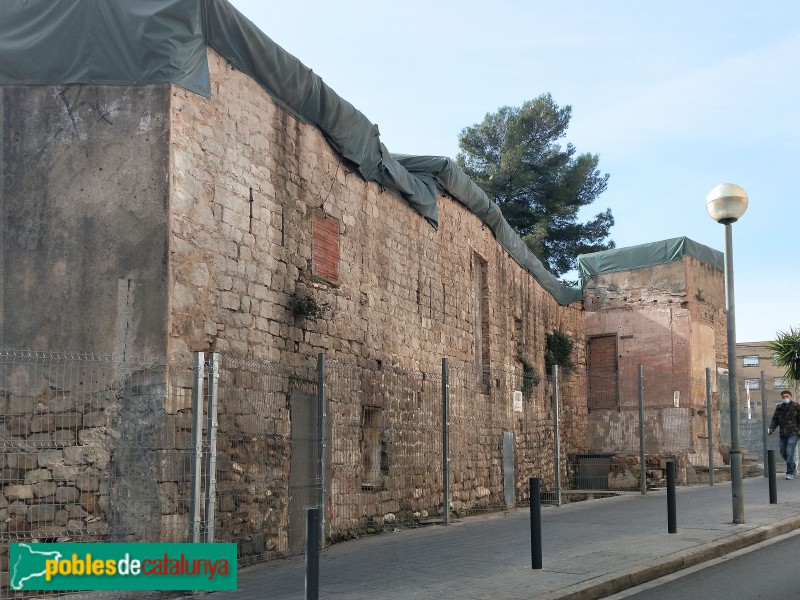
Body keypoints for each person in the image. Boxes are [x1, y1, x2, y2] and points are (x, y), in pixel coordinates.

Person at [768, 390, 800, 479]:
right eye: (783, 397)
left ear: (790, 396)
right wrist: (771, 429)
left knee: (789, 451)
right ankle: (793, 466)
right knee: (783, 452)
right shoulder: (779, 407)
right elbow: (775, 420)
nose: (785, 398)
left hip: (794, 433)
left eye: (787, 396)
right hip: (783, 434)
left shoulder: (796, 406)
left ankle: (790, 473)